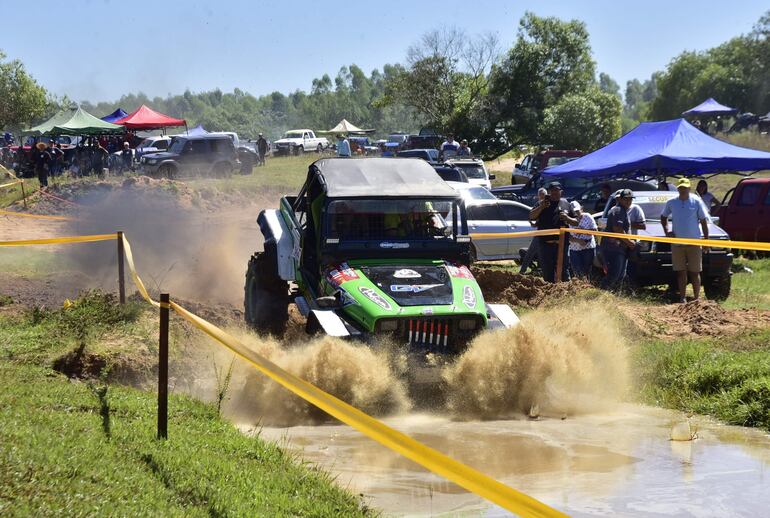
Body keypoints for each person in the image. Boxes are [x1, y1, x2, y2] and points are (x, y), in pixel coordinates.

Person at [661, 178, 710, 303]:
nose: (683, 190)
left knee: (695, 272)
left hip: (694, 243)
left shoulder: (696, 201)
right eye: (681, 187)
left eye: (685, 187)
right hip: (677, 244)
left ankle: (696, 299)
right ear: (678, 189)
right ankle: (682, 298)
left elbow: (704, 221)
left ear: (689, 188)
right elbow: (663, 216)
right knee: (681, 272)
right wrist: (667, 231)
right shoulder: (671, 202)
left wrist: (706, 241)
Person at [528, 182, 572, 282]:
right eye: (552, 191)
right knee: (548, 272)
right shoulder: (541, 203)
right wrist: (541, 207)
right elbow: (531, 216)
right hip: (545, 245)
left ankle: (565, 293)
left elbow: (575, 221)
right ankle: (550, 293)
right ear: (549, 192)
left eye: (557, 190)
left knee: (563, 271)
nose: (554, 193)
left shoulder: (566, 203)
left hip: (562, 244)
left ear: (561, 192)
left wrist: (567, 218)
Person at [600, 189, 635, 291]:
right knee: (613, 275)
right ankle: (600, 297)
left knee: (619, 276)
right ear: (620, 199)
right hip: (613, 249)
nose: (628, 201)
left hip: (619, 249)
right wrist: (630, 243)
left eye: (630, 199)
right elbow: (617, 229)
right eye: (626, 199)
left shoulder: (623, 210)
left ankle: (612, 299)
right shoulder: (618, 210)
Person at [519, 187, 547, 274]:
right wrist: (535, 223)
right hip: (540, 232)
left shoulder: (551, 203)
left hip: (551, 232)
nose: (542, 197)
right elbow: (532, 215)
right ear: (538, 196)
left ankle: (543, 270)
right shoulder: (538, 204)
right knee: (530, 252)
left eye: (543, 196)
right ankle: (523, 271)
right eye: (540, 196)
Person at [566, 200, 597, 279]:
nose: (575, 214)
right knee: (577, 272)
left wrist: (582, 231)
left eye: (577, 211)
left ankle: (586, 288)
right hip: (574, 249)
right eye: (573, 212)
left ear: (581, 209)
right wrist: (579, 240)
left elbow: (595, 231)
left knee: (587, 272)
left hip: (588, 248)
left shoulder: (588, 216)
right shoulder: (567, 220)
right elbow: (567, 236)